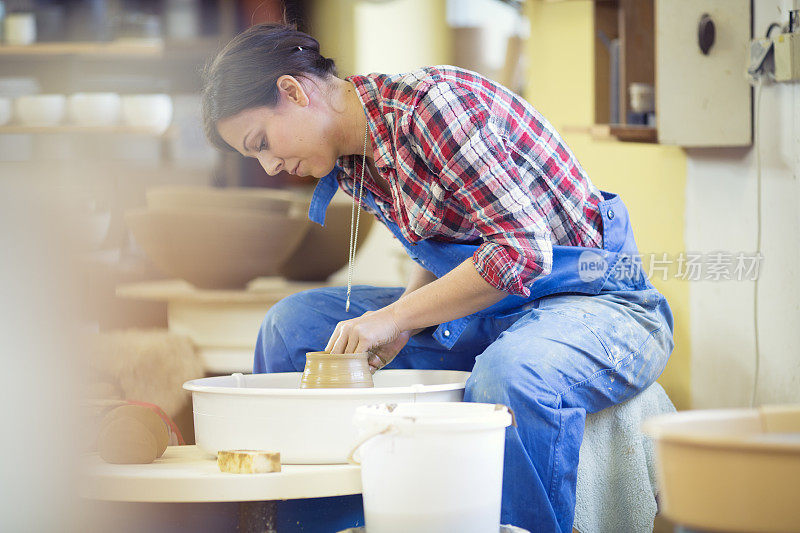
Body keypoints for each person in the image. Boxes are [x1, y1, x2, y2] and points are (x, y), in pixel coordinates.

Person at [201, 22, 674, 533]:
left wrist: (393, 318)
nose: (270, 166)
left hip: (595, 301)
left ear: (293, 91)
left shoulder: (434, 110)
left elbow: (520, 253)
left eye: (261, 142)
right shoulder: (352, 155)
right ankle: (333, 523)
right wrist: (402, 321)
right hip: (491, 310)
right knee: (291, 327)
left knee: (512, 373)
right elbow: (445, 241)